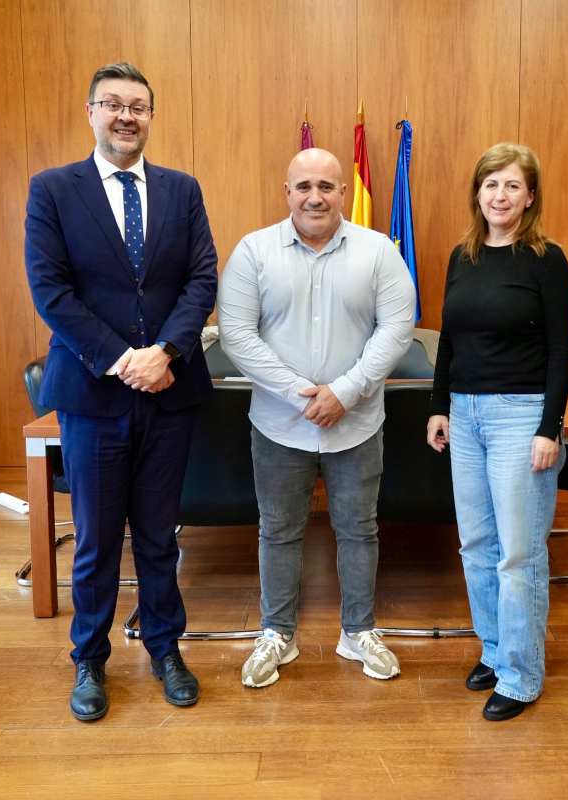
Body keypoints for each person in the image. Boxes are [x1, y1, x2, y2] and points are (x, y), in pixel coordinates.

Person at [24, 62, 218, 721]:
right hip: (92, 394)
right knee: (97, 539)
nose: (126, 115)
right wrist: (121, 359)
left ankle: (166, 649)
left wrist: (164, 352)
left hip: (170, 390)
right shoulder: (52, 190)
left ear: (151, 117)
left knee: (160, 534)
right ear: (91, 113)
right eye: (113, 104)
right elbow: (51, 292)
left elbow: (201, 280)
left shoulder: (182, 190)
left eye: (138, 105)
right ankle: (90, 661)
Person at [218, 148, 415, 689]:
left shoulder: (379, 252)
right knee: (279, 531)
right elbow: (236, 333)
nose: (315, 196)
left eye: (327, 186)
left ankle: (358, 633)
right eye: (303, 185)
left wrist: (345, 393)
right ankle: (277, 633)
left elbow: (398, 328)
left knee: (358, 529)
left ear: (343, 193)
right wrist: (301, 393)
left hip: (357, 424)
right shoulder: (253, 252)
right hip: (279, 424)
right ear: (287, 192)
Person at [426, 143, 568, 722]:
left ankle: (521, 673)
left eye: (513, 186)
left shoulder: (546, 259)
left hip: (522, 416)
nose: (500, 196)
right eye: (491, 185)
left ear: (530, 196)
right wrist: (440, 406)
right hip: (465, 415)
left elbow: (562, 350)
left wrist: (550, 427)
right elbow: (449, 340)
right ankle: (494, 649)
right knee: (477, 546)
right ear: (478, 193)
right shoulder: (463, 256)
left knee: (518, 553)